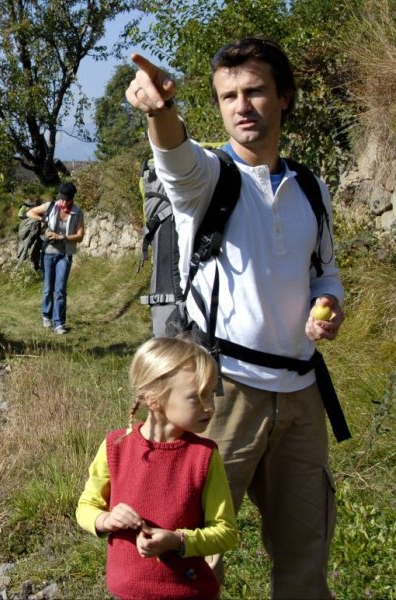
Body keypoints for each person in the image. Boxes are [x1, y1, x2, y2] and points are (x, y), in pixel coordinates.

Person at [125, 37, 345, 598]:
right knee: (193, 557)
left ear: (284, 98)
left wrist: (329, 305)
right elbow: (175, 158)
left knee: (305, 558)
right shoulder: (209, 178)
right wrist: (160, 111)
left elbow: (324, 274)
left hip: (300, 397)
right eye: (228, 96)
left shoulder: (310, 189)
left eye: (255, 92)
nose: (241, 106)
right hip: (219, 396)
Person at [76, 337, 238, 600]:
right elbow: (86, 507)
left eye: (210, 393)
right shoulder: (115, 447)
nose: (209, 405)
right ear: (154, 399)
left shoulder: (204, 456)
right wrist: (105, 520)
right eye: (196, 397)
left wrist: (177, 541)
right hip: (127, 593)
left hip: (189, 593)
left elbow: (225, 532)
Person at [25, 182, 85, 334]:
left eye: (66, 200)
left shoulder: (77, 212)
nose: (63, 202)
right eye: (62, 198)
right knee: (47, 289)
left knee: (60, 290)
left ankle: (59, 323)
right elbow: (29, 213)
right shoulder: (51, 206)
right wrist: (43, 222)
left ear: (72, 199)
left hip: (64, 254)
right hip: (48, 252)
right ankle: (46, 315)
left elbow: (80, 236)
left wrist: (62, 237)